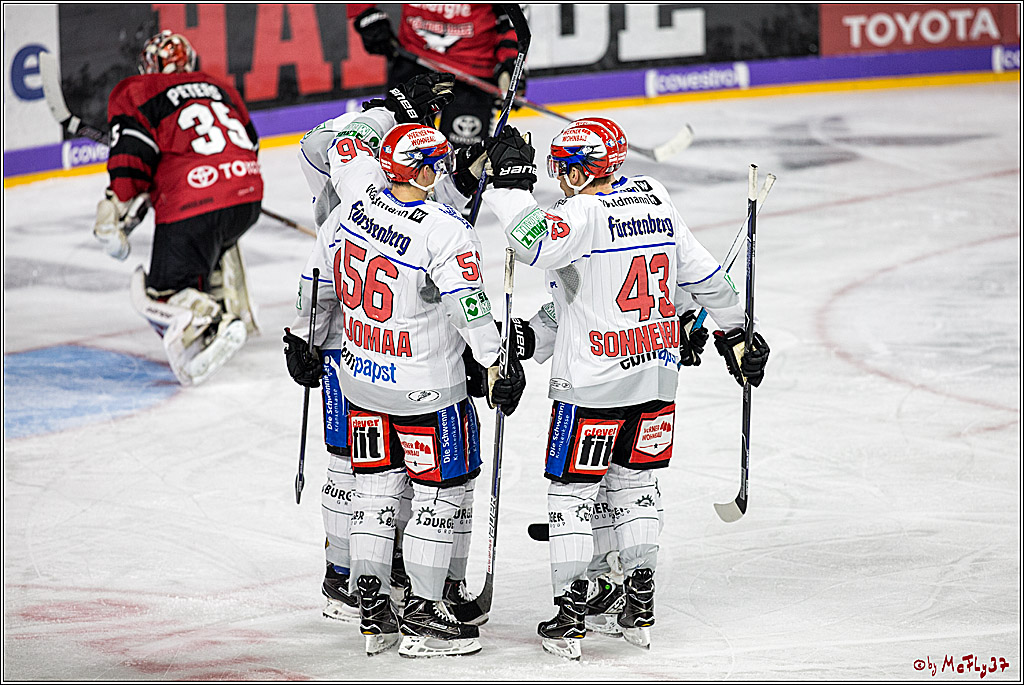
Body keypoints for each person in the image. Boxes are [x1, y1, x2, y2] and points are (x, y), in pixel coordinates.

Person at [481, 118, 769, 659]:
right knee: (637, 490)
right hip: (656, 377)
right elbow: (707, 280)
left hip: (591, 386)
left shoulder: (582, 213)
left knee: (572, 495)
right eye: (557, 166)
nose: (561, 176)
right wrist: (738, 331)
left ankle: (569, 616)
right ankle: (637, 603)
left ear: (591, 168)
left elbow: (534, 245)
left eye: (569, 166)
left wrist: (507, 188)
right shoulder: (653, 197)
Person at [286, 86, 525, 658]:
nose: (443, 170)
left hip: (363, 380)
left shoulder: (348, 212)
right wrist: (498, 364)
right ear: (420, 170)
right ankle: (422, 613)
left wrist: (302, 338)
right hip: (425, 389)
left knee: (372, 487)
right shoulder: (443, 229)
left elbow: (314, 285)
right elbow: (470, 308)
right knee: (441, 492)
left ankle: (370, 605)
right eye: (436, 164)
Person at [94, 30, 263, 386]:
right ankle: (237, 308)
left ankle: (214, 321)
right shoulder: (221, 87)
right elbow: (250, 143)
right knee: (213, 239)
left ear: (149, 65)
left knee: (162, 292)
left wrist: (117, 205)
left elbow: (131, 163)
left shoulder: (138, 90)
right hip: (247, 195)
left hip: (195, 203)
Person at [348, 4, 524, 152]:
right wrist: (366, 15)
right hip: (414, 58)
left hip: (473, 69)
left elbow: (514, 17)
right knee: (401, 153)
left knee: (464, 166)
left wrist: (510, 63)